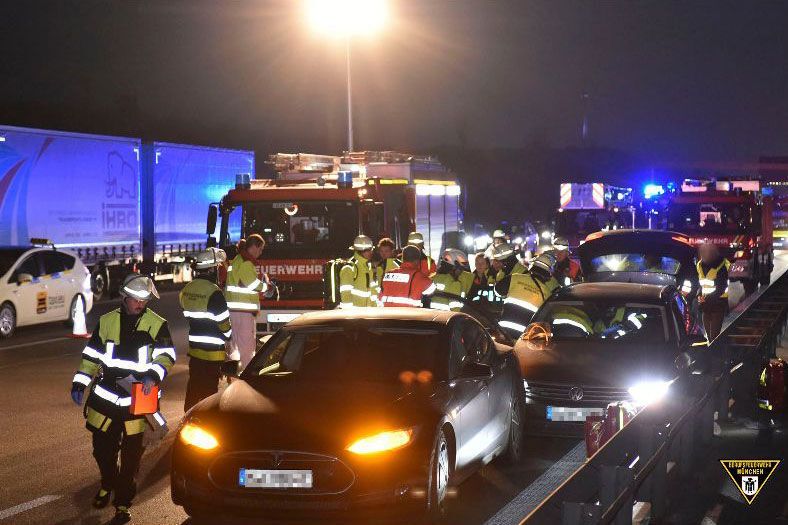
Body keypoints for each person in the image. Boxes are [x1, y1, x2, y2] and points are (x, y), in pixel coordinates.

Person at [70, 274, 175, 524]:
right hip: (105, 400)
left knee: (131, 461)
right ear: (124, 297)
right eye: (136, 299)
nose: (141, 304)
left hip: (137, 403)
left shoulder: (156, 324)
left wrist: (152, 375)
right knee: (102, 453)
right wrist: (79, 382)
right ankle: (107, 483)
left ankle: (122, 504)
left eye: (145, 300)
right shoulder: (106, 322)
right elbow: (91, 357)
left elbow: (167, 356)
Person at [180, 248, 232, 412]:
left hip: (195, 351)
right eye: (218, 267)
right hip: (213, 353)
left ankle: (188, 418)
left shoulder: (187, 290)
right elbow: (224, 325)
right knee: (209, 394)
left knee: (194, 387)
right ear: (212, 269)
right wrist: (229, 335)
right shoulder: (214, 293)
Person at [225, 234, 269, 369]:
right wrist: (267, 286)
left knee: (237, 346)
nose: (260, 253)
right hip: (244, 313)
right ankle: (247, 376)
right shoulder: (246, 262)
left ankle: (236, 373)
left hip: (234, 311)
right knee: (247, 348)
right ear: (254, 246)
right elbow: (252, 284)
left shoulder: (237, 260)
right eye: (260, 249)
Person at [498, 253, 560, 337]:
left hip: (503, 332)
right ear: (548, 275)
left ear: (532, 266)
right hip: (524, 339)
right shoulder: (547, 295)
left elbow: (497, 291)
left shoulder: (514, 278)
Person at [697, 242, 730, 340]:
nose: (703, 255)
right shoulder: (700, 265)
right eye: (702, 252)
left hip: (718, 303)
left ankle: (714, 352)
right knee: (708, 337)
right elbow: (701, 283)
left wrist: (707, 299)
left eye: (705, 252)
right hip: (705, 304)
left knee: (714, 336)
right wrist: (699, 294)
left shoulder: (721, 266)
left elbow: (721, 287)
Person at [339, 235, 377, 308]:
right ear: (360, 252)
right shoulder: (349, 267)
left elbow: (372, 290)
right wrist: (350, 316)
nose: (371, 252)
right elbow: (345, 294)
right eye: (368, 250)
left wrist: (374, 308)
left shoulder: (367, 266)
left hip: (368, 313)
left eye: (371, 250)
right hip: (355, 315)